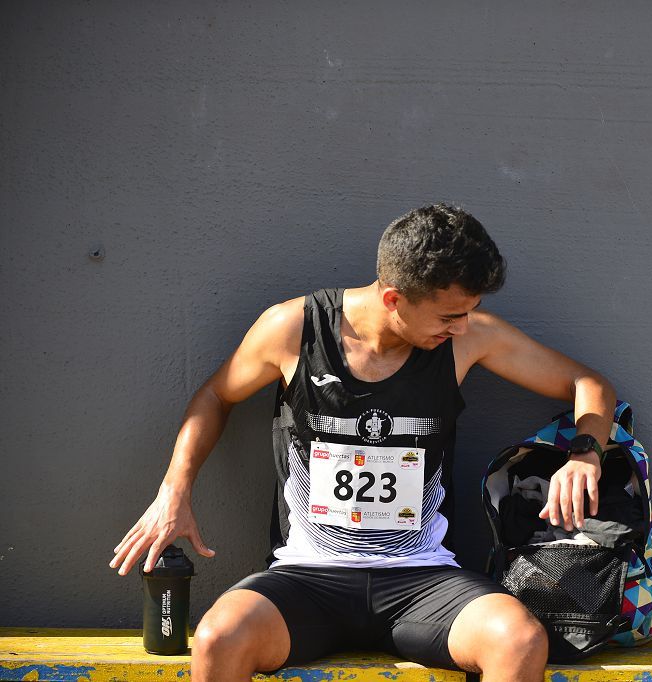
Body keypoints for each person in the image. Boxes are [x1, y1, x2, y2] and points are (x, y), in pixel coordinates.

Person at [109, 203, 616, 681]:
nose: (461, 326)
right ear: (394, 297)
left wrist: (584, 452)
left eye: (469, 312)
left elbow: (586, 383)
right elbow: (216, 396)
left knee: (520, 640)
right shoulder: (293, 329)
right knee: (219, 638)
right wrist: (174, 490)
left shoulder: (468, 338)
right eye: (448, 316)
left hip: (422, 580)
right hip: (307, 579)